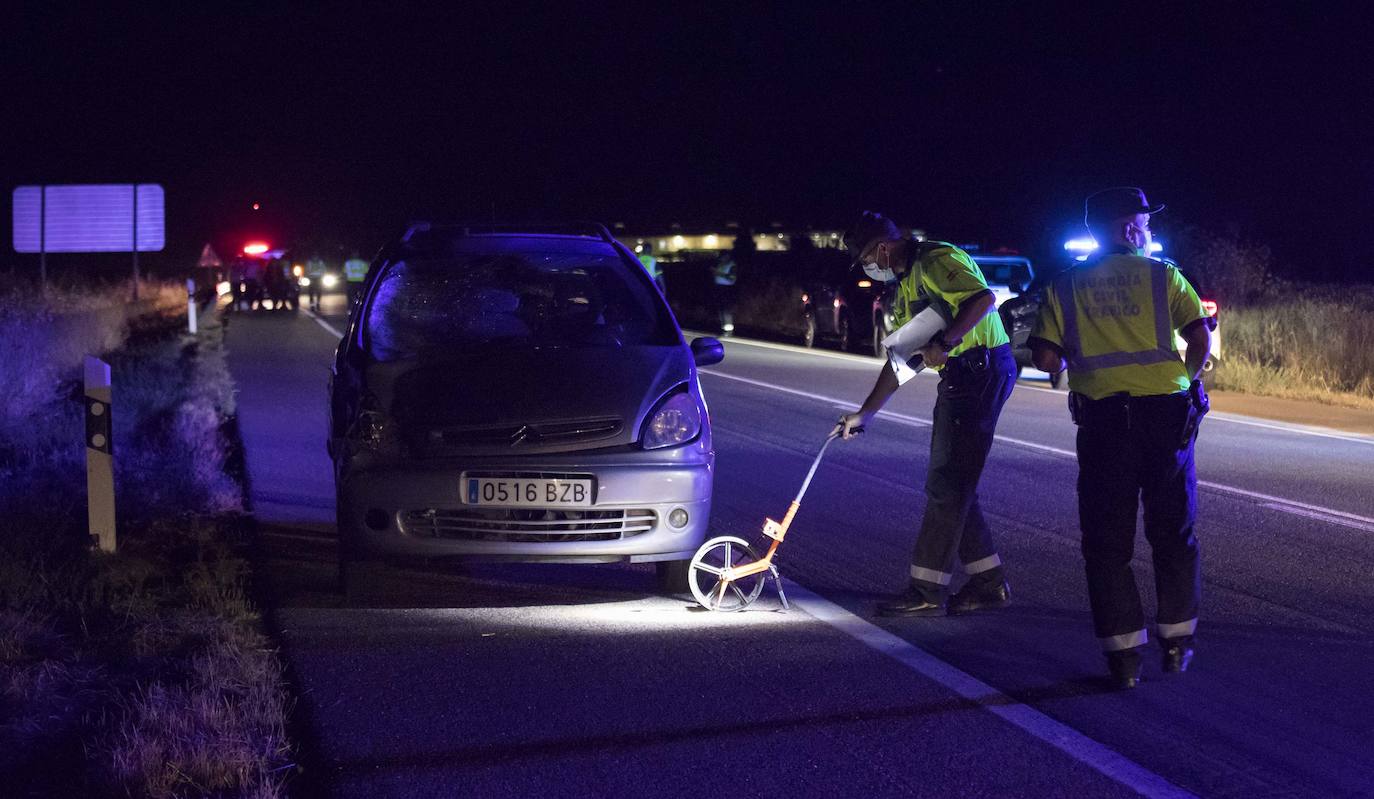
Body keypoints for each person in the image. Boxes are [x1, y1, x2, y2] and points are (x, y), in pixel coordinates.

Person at [1028, 187, 1214, 690]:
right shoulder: (1163, 276)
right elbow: (1200, 338)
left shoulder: (1066, 286)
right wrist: (1188, 381)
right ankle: (1176, 643)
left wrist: (1073, 351)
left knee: (1107, 545)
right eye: (1145, 224)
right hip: (1166, 419)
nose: (1148, 231)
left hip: (1105, 424)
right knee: (1173, 531)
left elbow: (1046, 361)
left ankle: (1124, 658)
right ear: (1130, 229)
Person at [836, 212, 1017, 617]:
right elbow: (901, 360)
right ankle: (988, 583)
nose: (868, 266)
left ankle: (926, 590)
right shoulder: (905, 287)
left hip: (980, 369)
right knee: (954, 482)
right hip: (963, 374)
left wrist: (947, 342)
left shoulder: (936, 259)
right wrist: (865, 413)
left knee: (946, 484)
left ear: (882, 248)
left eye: (866, 257)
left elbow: (983, 300)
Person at [711, 249, 738, 335]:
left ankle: (729, 330)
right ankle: (723, 328)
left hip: (727, 289)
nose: (721, 258)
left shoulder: (732, 265)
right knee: (720, 308)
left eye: (722, 256)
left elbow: (732, 278)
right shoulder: (721, 264)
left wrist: (718, 273)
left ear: (727, 256)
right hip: (719, 288)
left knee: (726, 309)